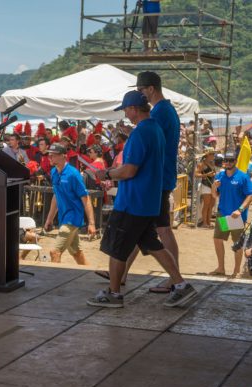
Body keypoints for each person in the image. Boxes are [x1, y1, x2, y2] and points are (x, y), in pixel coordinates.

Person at [87, 91, 197, 308]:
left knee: (117, 248)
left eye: (126, 110)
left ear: (134, 109)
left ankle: (114, 294)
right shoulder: (155, 129)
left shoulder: (139, 134)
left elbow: (129, 171)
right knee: (152, 244)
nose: (126, 115)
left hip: (132, 201)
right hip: (148, 200)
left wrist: (107, 173)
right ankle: (181, 285)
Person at [44, 144, 96, 265]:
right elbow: (56, 196)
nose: (50, 157)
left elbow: (86, 198)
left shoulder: (73, 174)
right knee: (77, 253)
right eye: (49, 154)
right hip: (64, 217)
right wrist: (49, 219)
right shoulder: (53, 172)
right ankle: (88, 274)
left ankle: (54, 280)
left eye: (53, 155)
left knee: (55, 252)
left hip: (73, 218)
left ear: (63, 156)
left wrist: (92, 224)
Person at [211, 151, 252, 277]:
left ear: (235, 161)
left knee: (236, 244)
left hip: (236, 216)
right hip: (223, 214)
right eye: (226, 161)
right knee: (218, 239)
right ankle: (221, 268)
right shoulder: (220, 176)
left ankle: (236, 271)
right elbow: (215, 195)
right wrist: (214, 186)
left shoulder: (242, 177)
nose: (228, 163)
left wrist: (240, 210)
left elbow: (250, 195)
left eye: (231, 160)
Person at [196, 148, 217, 228]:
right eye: (212, 154)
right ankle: (204, 223)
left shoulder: (212, 163)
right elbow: (196, 174)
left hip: (212, 185)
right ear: (207, 155)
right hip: (205, 185)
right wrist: (206, 175)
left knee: (211, 205)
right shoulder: (202, 164)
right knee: (206, 205)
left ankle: (208, 222)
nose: (213, 156)